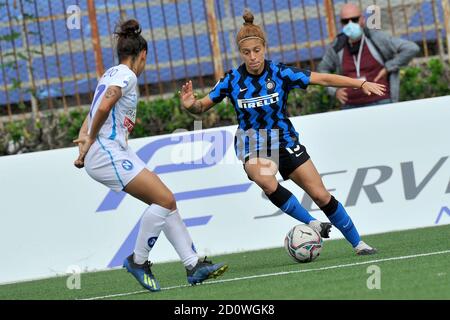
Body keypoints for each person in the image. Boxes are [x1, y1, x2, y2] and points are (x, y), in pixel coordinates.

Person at [180, 11, 385, 255]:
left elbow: (323, 79)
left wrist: (360, 82)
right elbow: (201, 107)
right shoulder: (231, 80)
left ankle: (359, 243)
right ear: (240, 53)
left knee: (320, 195)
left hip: (285, 139)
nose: (253, 57)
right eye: (247, 53)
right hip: (253, 143)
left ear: (264, 47)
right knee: (266, 179)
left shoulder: (280, 73)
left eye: (257, 50)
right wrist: (191, 104)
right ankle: (312, 223)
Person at [73, 19, 228, 292]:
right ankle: (138, 260)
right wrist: (90, 137)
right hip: (107, 151)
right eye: (145, 60)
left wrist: (85, 139)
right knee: (164, 198)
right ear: (141, 56)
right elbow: (106, 103)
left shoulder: (108, 73)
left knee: (166, 202)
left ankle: (193, 265)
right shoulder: (126, 75)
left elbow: (95, 108)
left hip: (112, 149)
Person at [318, 3, 420, 109]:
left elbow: (411, 48)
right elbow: (322, 70)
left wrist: (388, 67)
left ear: (362, 19)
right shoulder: (337, 46)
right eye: (345, 21)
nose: (350, 24)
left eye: (354, 20)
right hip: (350, 105)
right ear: (341, 24)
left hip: (380, 101)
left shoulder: (375, 38)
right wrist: (334, 91)